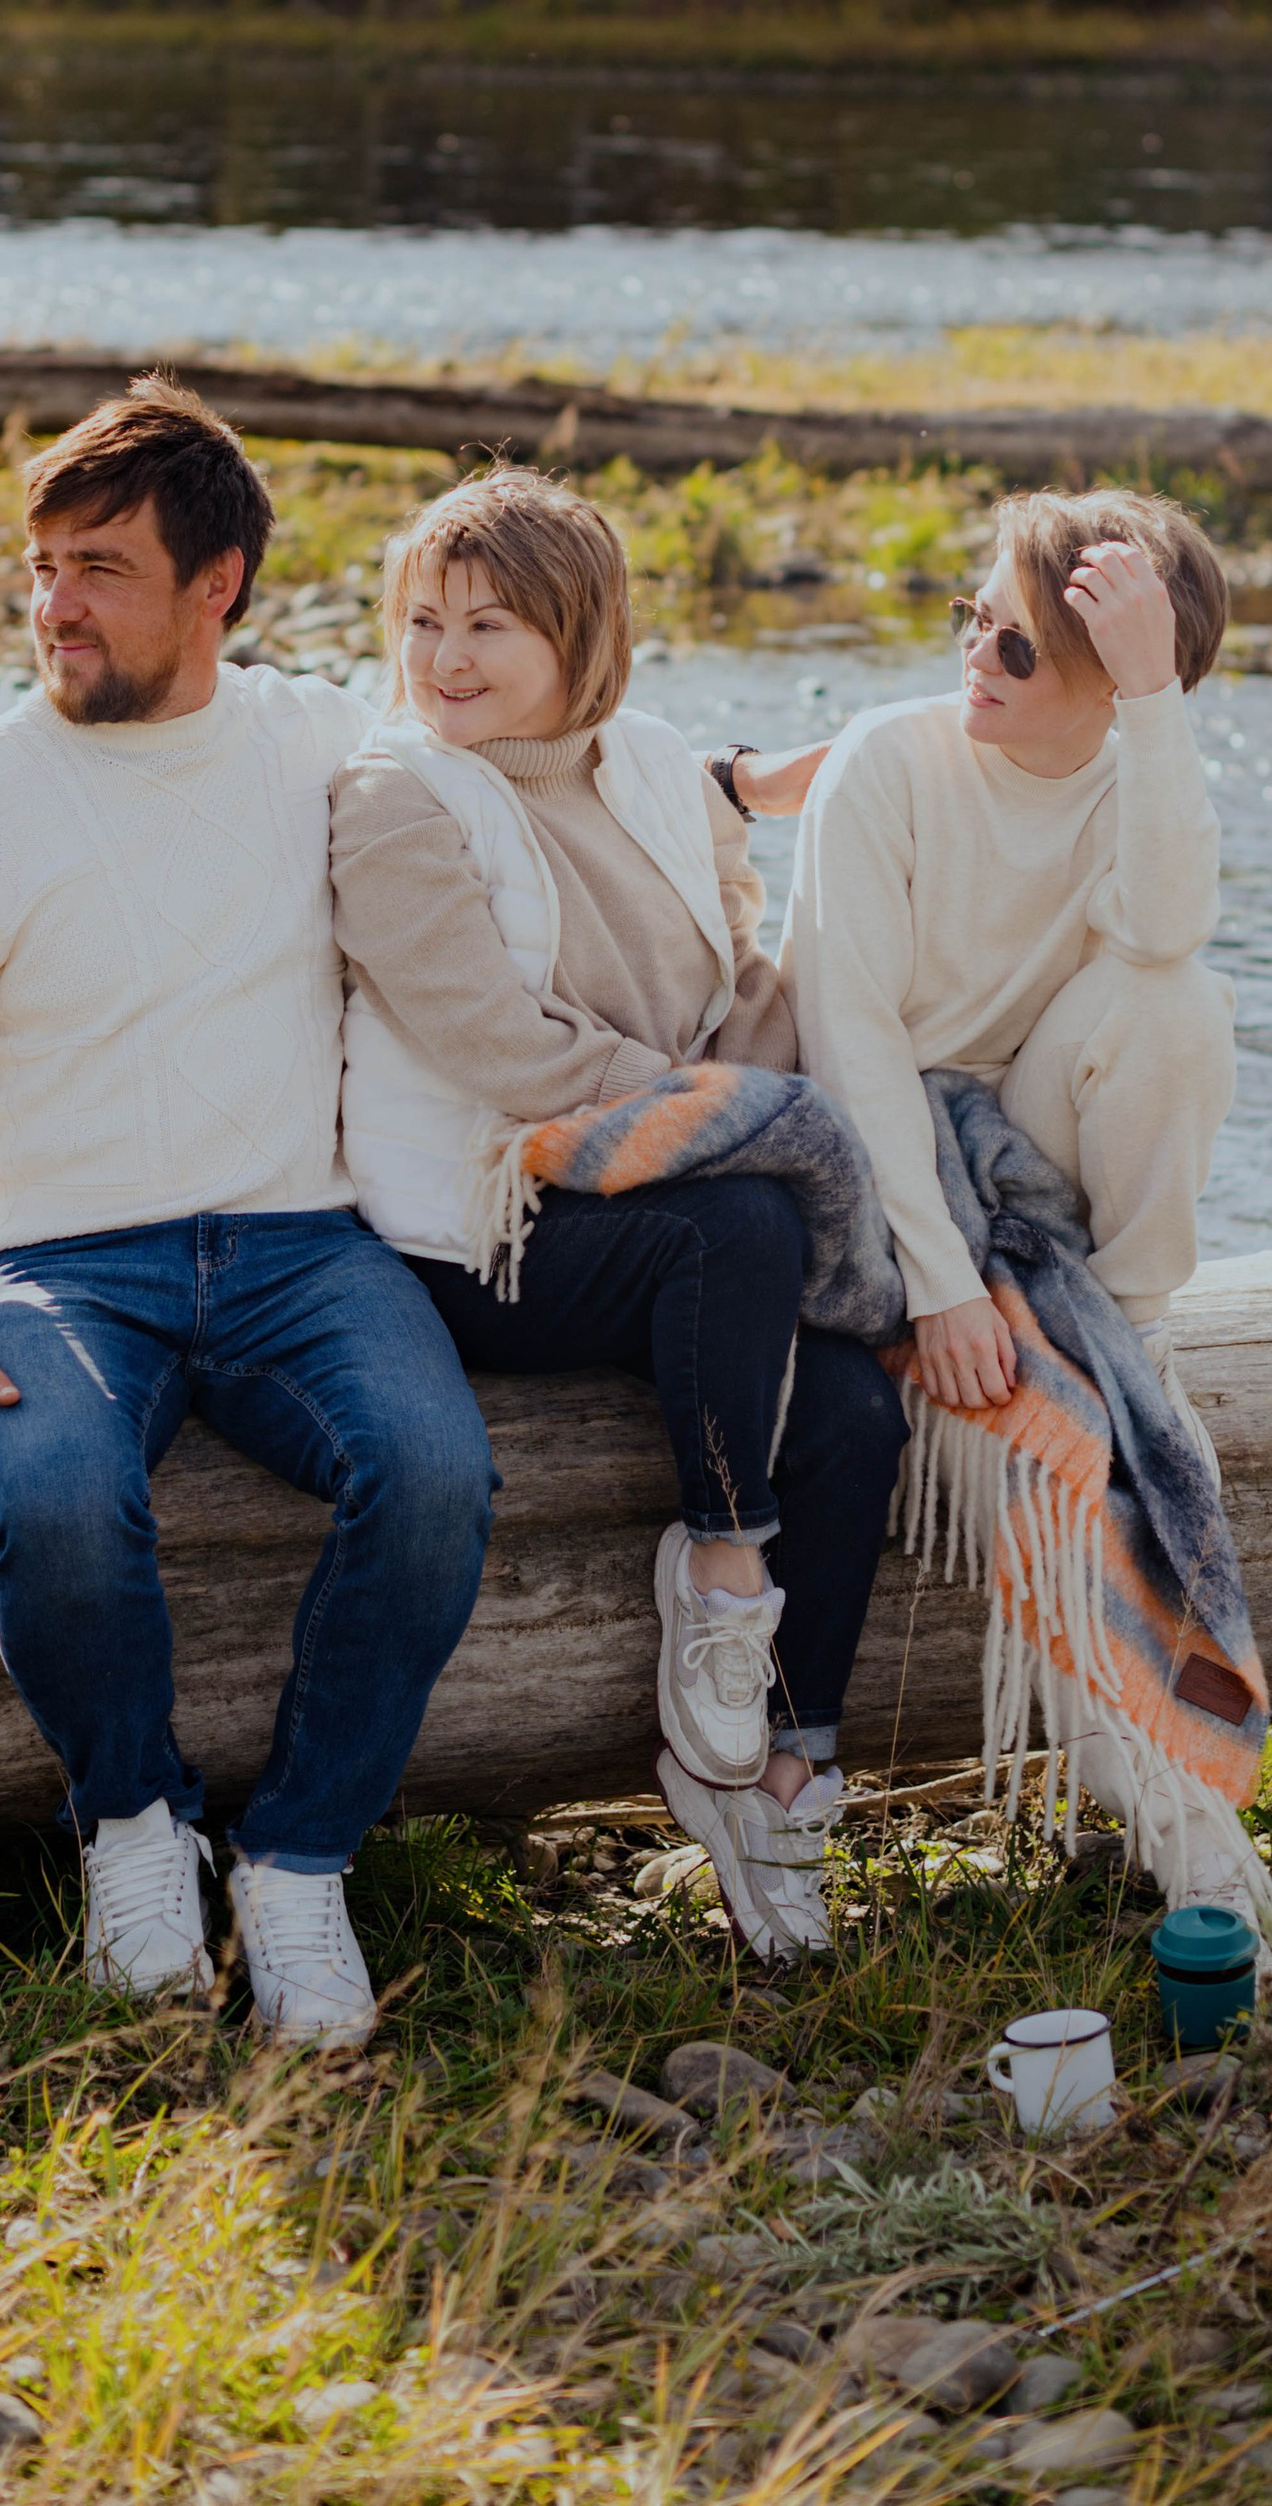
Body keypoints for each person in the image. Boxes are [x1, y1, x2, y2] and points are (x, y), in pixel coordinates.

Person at [0, 377, 494, 2049]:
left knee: (434, 1470)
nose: (53, 605)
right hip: (59, 1263)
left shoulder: (324, 742)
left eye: (100, 567)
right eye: (42, 564)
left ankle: (301, 1859)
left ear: (222, 585)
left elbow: (530, 774)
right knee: (49, 1494)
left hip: (298, 1244)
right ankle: (132, 1823)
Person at [328, 467, 910, 1964]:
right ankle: (723, 1581)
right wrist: (719, 1116)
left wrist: (737, 1087)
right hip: (480, 1232)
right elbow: (505, 1055)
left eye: (490, 626)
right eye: (421, 620)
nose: (443, 658)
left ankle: (780, 1778)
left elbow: (735, 982)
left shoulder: (645, 763)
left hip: (656, 1202)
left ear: (581, 641)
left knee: (851, 1409)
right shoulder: (394, 799)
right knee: (749, 1228)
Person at [782, 483, 1235, 1432]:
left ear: (1112, 681)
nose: (977, 658)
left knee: (1181, 999)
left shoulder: (1143, 780)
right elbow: (847, 1035)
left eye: (1017, 648)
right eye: (975, 620)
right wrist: (943, 1287)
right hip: (882, 1125)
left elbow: (1165, 937)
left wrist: (1155, 702)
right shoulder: (886, 762)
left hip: (1023, 1123)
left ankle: (1130, 1328)